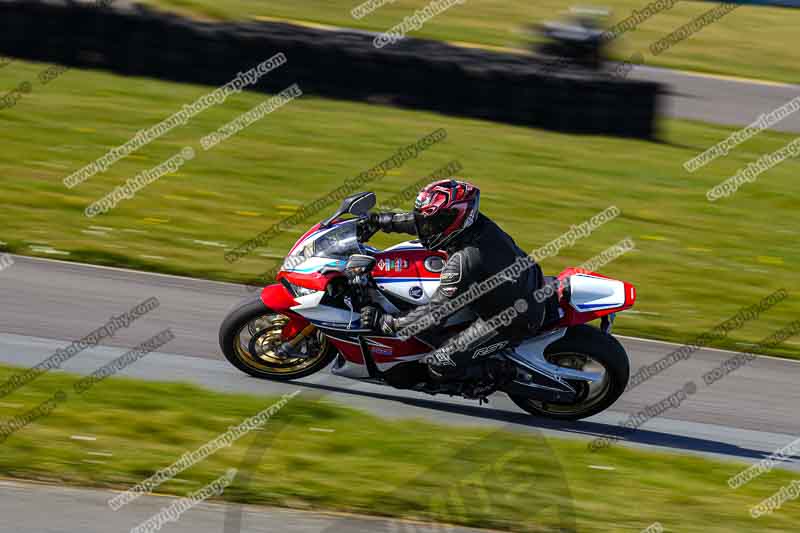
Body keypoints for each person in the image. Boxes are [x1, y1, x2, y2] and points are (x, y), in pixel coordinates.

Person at [358, 179, 545, 380]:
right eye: (426, 222)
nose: (426, 229)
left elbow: (434, 315)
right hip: (524, 282)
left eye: (432, 224)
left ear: (455, 219)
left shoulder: (466, 260)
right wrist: (381, 221)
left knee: (439, 363)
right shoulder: (472, 224)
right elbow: (426, 220)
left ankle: (503, 373)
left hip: (510, 319)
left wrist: (388, 322)